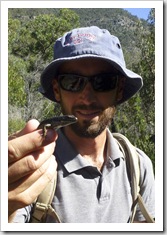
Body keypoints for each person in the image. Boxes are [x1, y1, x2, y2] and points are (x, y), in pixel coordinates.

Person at [8, 26, 155, 223]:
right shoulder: (34, 165)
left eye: (103, 82)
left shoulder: (138, 165)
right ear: (57, 89)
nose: (87, 97)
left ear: (119, 90)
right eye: (72, 81)